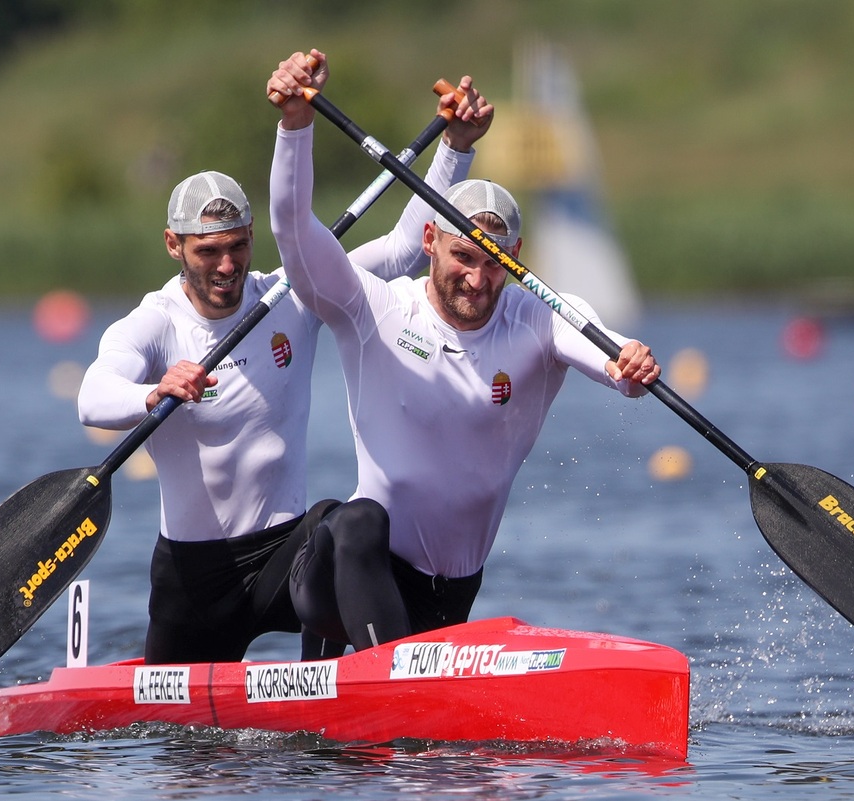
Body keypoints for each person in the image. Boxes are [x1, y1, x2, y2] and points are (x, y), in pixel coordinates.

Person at [76, 60, 494, 664]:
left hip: (284, 559)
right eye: (208, 251)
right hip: (195, 578)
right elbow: (92, 394)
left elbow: (406, 249)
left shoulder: (291, 296)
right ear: (174, 246)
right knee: (188, 759)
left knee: (354, 522)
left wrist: (454, 147)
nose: (227, 266)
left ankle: (383, 680)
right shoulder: (157, 322)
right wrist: (151, 392)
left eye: (238, 246)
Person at [266, 50, 662, 657]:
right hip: (345, 574)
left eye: (494, 263)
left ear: (517, 256)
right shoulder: (373, 305)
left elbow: (614, 362)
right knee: (356, 521)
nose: (477, 280)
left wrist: (630, 364)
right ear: (430, 241)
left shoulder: (537, 314)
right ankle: (373, 675)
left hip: (450, 592)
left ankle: (358, 684)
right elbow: (296, 237)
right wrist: (296, 125)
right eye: (463, 257)